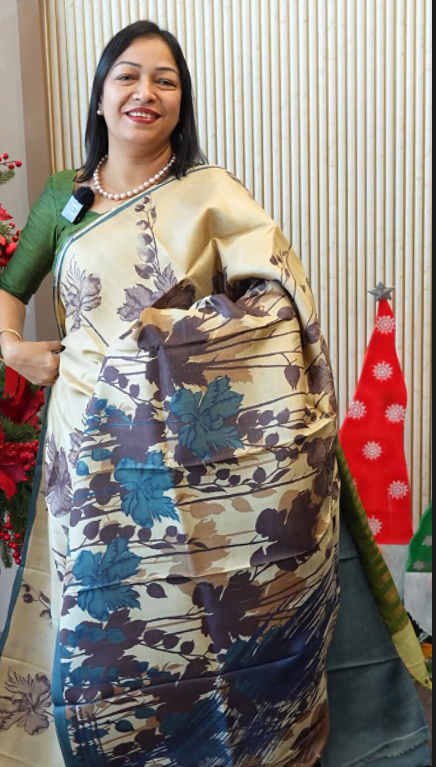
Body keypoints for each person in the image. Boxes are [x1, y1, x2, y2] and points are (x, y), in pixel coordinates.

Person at [0, 21, 430, 767]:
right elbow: (11, 288)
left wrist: (165, 343)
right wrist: (15, 347)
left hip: (190, 461)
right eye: (128, 75)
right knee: (98, 618)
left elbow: (277, 301)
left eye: (164, 80)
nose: (145, 92)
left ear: (182, 102)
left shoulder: (212, 195)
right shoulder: (62, 198)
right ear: (100, 95)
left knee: (208, 622)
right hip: (86, 452)